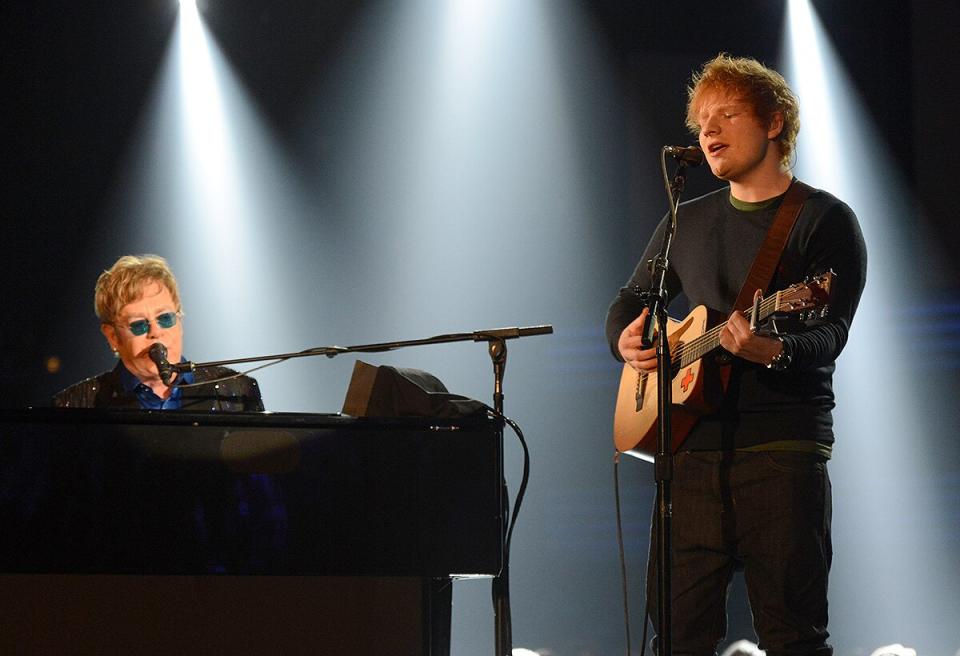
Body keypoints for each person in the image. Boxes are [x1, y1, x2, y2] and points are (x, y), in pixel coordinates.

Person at [605, 54, 867, 655]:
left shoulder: (823, 220)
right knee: (675, 635)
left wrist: (769, 349)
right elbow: (631, 300)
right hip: (689, 455)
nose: (709, 132)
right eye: (701, 123)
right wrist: (624, 336)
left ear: (774, 122)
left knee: (792, 636)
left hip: (780, 453)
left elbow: (830, 332)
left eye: (726, 114)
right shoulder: (686, 220)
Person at [54, 254, 263, 411]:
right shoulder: (74, 405)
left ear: (179, 321)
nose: (156, 332)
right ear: (112, 337)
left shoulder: (236, 390)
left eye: (165, 319)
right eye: (139, 325)